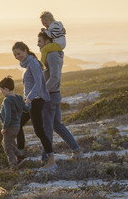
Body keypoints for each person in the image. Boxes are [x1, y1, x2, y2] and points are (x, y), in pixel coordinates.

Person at [37, 32, 83, 161]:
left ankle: (46, 159)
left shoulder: (52, 55)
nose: (37, 44)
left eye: (40, 41)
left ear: (47, 42)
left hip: (50, 96)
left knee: (47, 128)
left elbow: (55, 77)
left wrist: (43, 91)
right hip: (52, 95)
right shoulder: (51, 54)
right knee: (57, 125)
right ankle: (77, 150)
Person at [12, 41, 57, 170]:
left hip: (35, 101)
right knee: (18, 124)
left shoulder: (33, 63)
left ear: (26, 50)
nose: (17, 57)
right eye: (15, 55)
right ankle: (21, 155)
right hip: (30, 102)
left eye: (19, 53)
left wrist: (29, 99)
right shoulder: (28, 64)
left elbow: (39, 83)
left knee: (39, 131)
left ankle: (52, 161)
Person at [0, 76, 28, 170]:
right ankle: (21, 156)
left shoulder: (7, 100)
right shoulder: (19, 97)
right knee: (7, 144)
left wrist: (4, 128)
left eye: (1, 90)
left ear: (6, 88)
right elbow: (26, 109)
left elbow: (8, 116)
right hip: (17, 126)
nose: (1, 92)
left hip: (10, 126)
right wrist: (28, 102)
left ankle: (14, 165)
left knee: (7, 148)